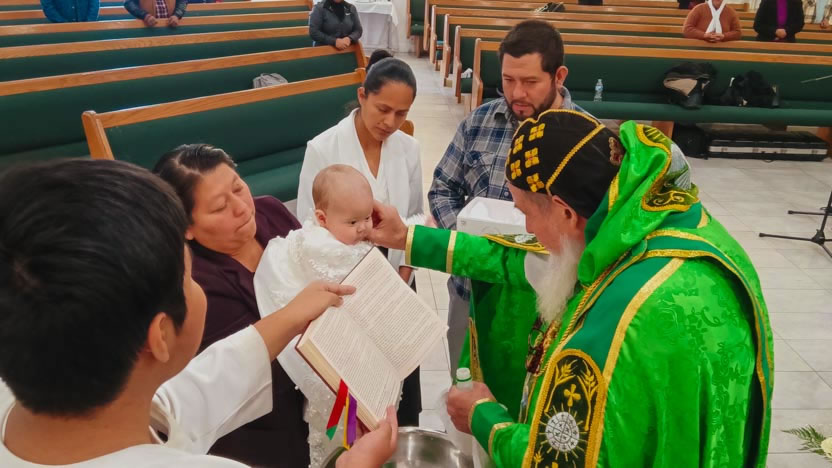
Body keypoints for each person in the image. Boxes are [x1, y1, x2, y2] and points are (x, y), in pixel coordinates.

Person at [371, 110, 774, 467]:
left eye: (525, 212)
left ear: (564, 211)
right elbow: (514, 259)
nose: (527, 229)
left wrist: (484, 417)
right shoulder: (644, 218)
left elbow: (560, 459)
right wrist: (406, 237)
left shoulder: (616, 322)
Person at [0, 158, 398, 468]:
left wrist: (290, 315)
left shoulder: (57, 401)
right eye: (189, 277)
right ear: (159, 336)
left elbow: (202, 385)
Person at [428, 19, 584, 382]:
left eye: (530, 82)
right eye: (508, 80)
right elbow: (442, 188)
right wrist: (468, 242)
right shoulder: (480, 122)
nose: (517, 94)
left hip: (545, 301)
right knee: (465, 388)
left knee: (533, 398)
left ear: (559, 76)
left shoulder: (584, 138)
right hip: (473, 290)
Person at [153, 145, 309, 467]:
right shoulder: (198, 285)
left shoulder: (270, 211)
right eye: (220, 207)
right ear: (186, 227)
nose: (241, 208)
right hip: (266, 428)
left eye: (238, 188)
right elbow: (250, 366)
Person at [297, 55, 423, 427]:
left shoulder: (408, 149)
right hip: (344, 288)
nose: (390, 123)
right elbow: (308, 227)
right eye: (383, 109)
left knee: (400, 394)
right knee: (356, 400)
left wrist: (404, 273)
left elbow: (415, 216)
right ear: (362, 95)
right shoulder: (324, 148)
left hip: (395, 283)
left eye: (401, 114)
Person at [254, 165, 376, 468]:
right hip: (334, 353)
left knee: (359, 417)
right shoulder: (322, 247)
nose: (363, 228)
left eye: (367, 217)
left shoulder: (339, 235)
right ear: (322, 219)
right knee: (341, 424)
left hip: (356, 351)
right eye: (353, 222)